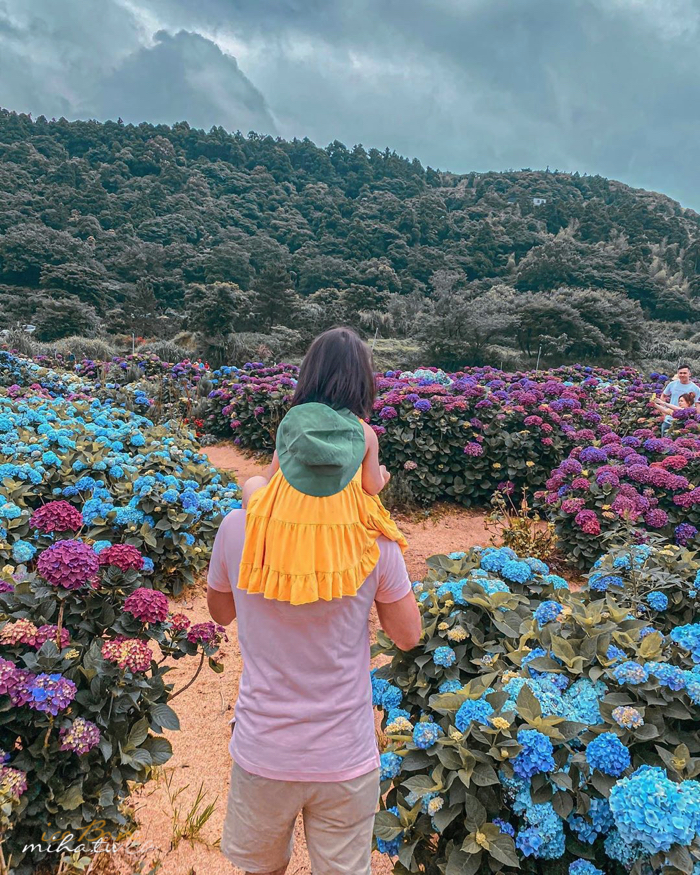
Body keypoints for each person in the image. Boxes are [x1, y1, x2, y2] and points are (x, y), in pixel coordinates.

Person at [207, 329, 422, 875]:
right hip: (344, 757)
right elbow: (408, 636)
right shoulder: (375, 544)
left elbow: (220, 613)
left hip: (263, 751)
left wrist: (256, 494)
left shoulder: (241, 531)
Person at [238, 327, 407, 606]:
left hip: (287, 519)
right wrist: (385, 475)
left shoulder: (292, 421)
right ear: (363, 382)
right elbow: (371, 487)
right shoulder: (365, 434)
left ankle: (253, 526)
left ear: (309, 375)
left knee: (253, 484)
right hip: (337, 523)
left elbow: (273, 476)